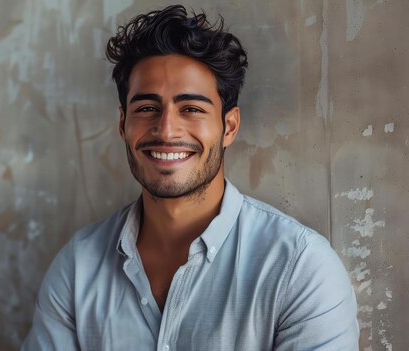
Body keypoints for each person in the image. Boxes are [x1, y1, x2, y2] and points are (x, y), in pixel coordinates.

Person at [22, 5, 359, 350]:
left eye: (192, 109)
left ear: (229, 126)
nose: (166, 130)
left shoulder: (300, 268)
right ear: (123, 124)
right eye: (147, 108)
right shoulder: (77, 267)